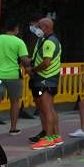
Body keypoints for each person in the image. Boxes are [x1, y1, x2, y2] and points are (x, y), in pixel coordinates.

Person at [28, 17, 63, 150]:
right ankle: (55, 136)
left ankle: (48, 138)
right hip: (47, 79)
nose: (37, 29)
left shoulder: (49, 42)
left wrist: (34, 69)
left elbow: (46, 62)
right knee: (49, 108)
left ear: (46, 28)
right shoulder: (46, 40)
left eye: (39, 27)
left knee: (46, 109)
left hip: (45, 79)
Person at [0, 22, 31, 135]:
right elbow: (24, 60)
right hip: (14, 76)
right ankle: (13, 128)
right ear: (15, 29)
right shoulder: (19, 42)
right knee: (14, 103)